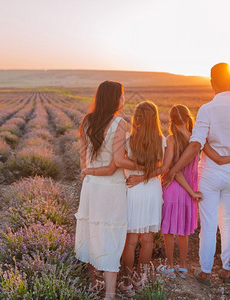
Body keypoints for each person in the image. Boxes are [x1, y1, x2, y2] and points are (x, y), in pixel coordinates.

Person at [161, 63, 230, 287]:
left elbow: (196, 144)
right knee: (228, 222)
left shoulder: (207, 109)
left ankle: (205, 273)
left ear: (212, 82)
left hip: (211, 175)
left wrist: (174, 170)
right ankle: (226, 271)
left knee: (208, 223)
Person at [75, 80, 137, 300]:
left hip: (91, 187)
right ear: (114, 98)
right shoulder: (119, 123)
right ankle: (109, 294)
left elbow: (83, 162)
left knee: (92, 231)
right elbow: (115, 165)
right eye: (122, 95)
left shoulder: (86, 121)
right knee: (111, 235)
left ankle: (94, 283)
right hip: (111, 189)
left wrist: (90, 173)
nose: (123, 99)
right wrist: (144, 166)